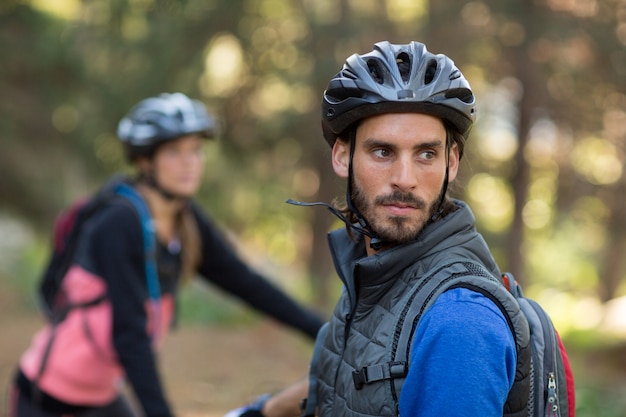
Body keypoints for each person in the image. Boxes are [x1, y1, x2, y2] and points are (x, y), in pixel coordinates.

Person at [225, 40, 524, 417]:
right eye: (383, 152)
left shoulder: (459, 325)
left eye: (426, 154)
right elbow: (351, 381)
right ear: (342, 156)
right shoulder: (375, 272)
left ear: (451, 163)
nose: (404, 179)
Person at [7, 92, 325, 417]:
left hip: (101, 397)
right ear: (145, 161)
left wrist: (325, 331)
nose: (190, 162)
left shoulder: (185, 221)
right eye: (174, 152)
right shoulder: (118, 223)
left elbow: (246, 284)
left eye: (196, 151)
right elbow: (129, 336)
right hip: (46, 399)